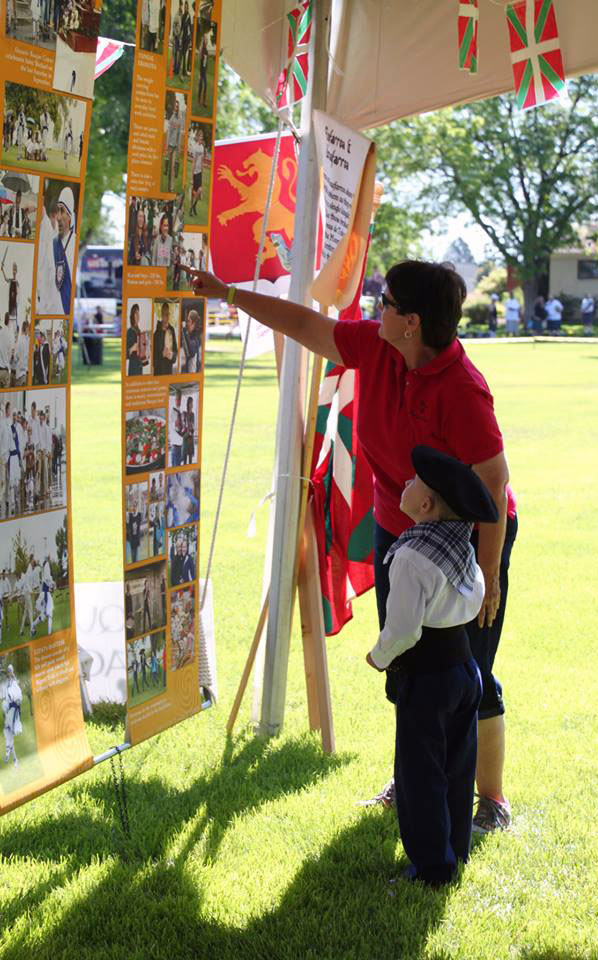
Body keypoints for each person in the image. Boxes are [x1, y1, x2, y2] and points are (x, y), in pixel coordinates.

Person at [187, 259, 518, 833]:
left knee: (467, 667)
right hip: (402, 532)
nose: (374, 306)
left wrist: (487, 573)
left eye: (384, 301)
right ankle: (415, 776)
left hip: (469, 536)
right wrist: (229, 293)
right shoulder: (379, 348)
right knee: (411, 664)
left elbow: (493, 480)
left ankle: (489, 800)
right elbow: (305, 327)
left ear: (411, 321)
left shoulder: (463, 389)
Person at [367, 445, 497, 885]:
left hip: (427, 677)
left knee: (420, 774)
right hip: (465, 669)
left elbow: (403, 629)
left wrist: (379, 656)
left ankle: (431, 869)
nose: (403, 484)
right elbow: (475, 597)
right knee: (457, 767)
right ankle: (454, 851)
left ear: (425, 505)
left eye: (412, 482)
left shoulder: (411, 556)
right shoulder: (458, 547)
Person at [37, 186, 75, 315]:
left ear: (69, 215)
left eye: (62, 211)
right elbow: (45, 287)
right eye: (57, 212)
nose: (58, 217)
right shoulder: (51, 245)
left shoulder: (75, 245)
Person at [3, 664, 23, 767]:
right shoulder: (8, 684)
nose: (9, 674)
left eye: (10, 671)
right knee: (8, 734)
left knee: (9, 734)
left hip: (14, 710)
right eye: (8, 672)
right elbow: (7, 699)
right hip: (10, 710)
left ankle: (12, 757)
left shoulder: (14, 683)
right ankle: (12, 757)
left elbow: (18, 698)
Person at [153, 301, 177, 374]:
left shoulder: (172, 330)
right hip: (159, 371)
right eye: (165, 314)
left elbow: (175, 350)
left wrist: (172, 356)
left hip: (169, 370)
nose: (167, 316)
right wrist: (162, 355)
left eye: (168, 314)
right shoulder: (156, 333)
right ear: (161, 315)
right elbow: (153, 357)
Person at [165, 99, 183, 192]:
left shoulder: (179, 119)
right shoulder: (171, 118)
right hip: (170, 145)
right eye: (175, 106)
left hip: (175, 146)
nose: (176, 108)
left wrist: (179, 147)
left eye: (177, 106)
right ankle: (169, 186)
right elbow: (168, 132)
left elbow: (179, 134)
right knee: (168, 167)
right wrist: (166, 145)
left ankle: (171, 188)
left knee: (172, 167)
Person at [126, 304, 148, 375]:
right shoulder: (130, 331)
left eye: (138, 313)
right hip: (133, 367)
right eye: (136, 313)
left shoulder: (139, 330)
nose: (138, 316)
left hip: (140, 366)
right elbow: (125, 354)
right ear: (132, 315)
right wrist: (132, 349)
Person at [189, 127, 205, 218]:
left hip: (199, 173)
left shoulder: (202, 148)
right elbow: (193, 162)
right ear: (198, 137)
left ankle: (194, 206)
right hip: (194, 173)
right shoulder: (195, 147)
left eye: (202, 136)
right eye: (200, 136)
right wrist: (191, 178)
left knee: (199, 191)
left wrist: (202, 174)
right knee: (194, 192)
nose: (201, 138)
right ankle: (191, 209)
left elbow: (202, 162)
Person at [127, 498, 143, 563]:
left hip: (137, 539)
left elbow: (142, 511)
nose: (134, 507)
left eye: (135, 506)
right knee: (133, 558)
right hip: (132, 540)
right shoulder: (129, 515)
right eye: (133, 506)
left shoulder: (139, 515)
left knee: (137, 558)